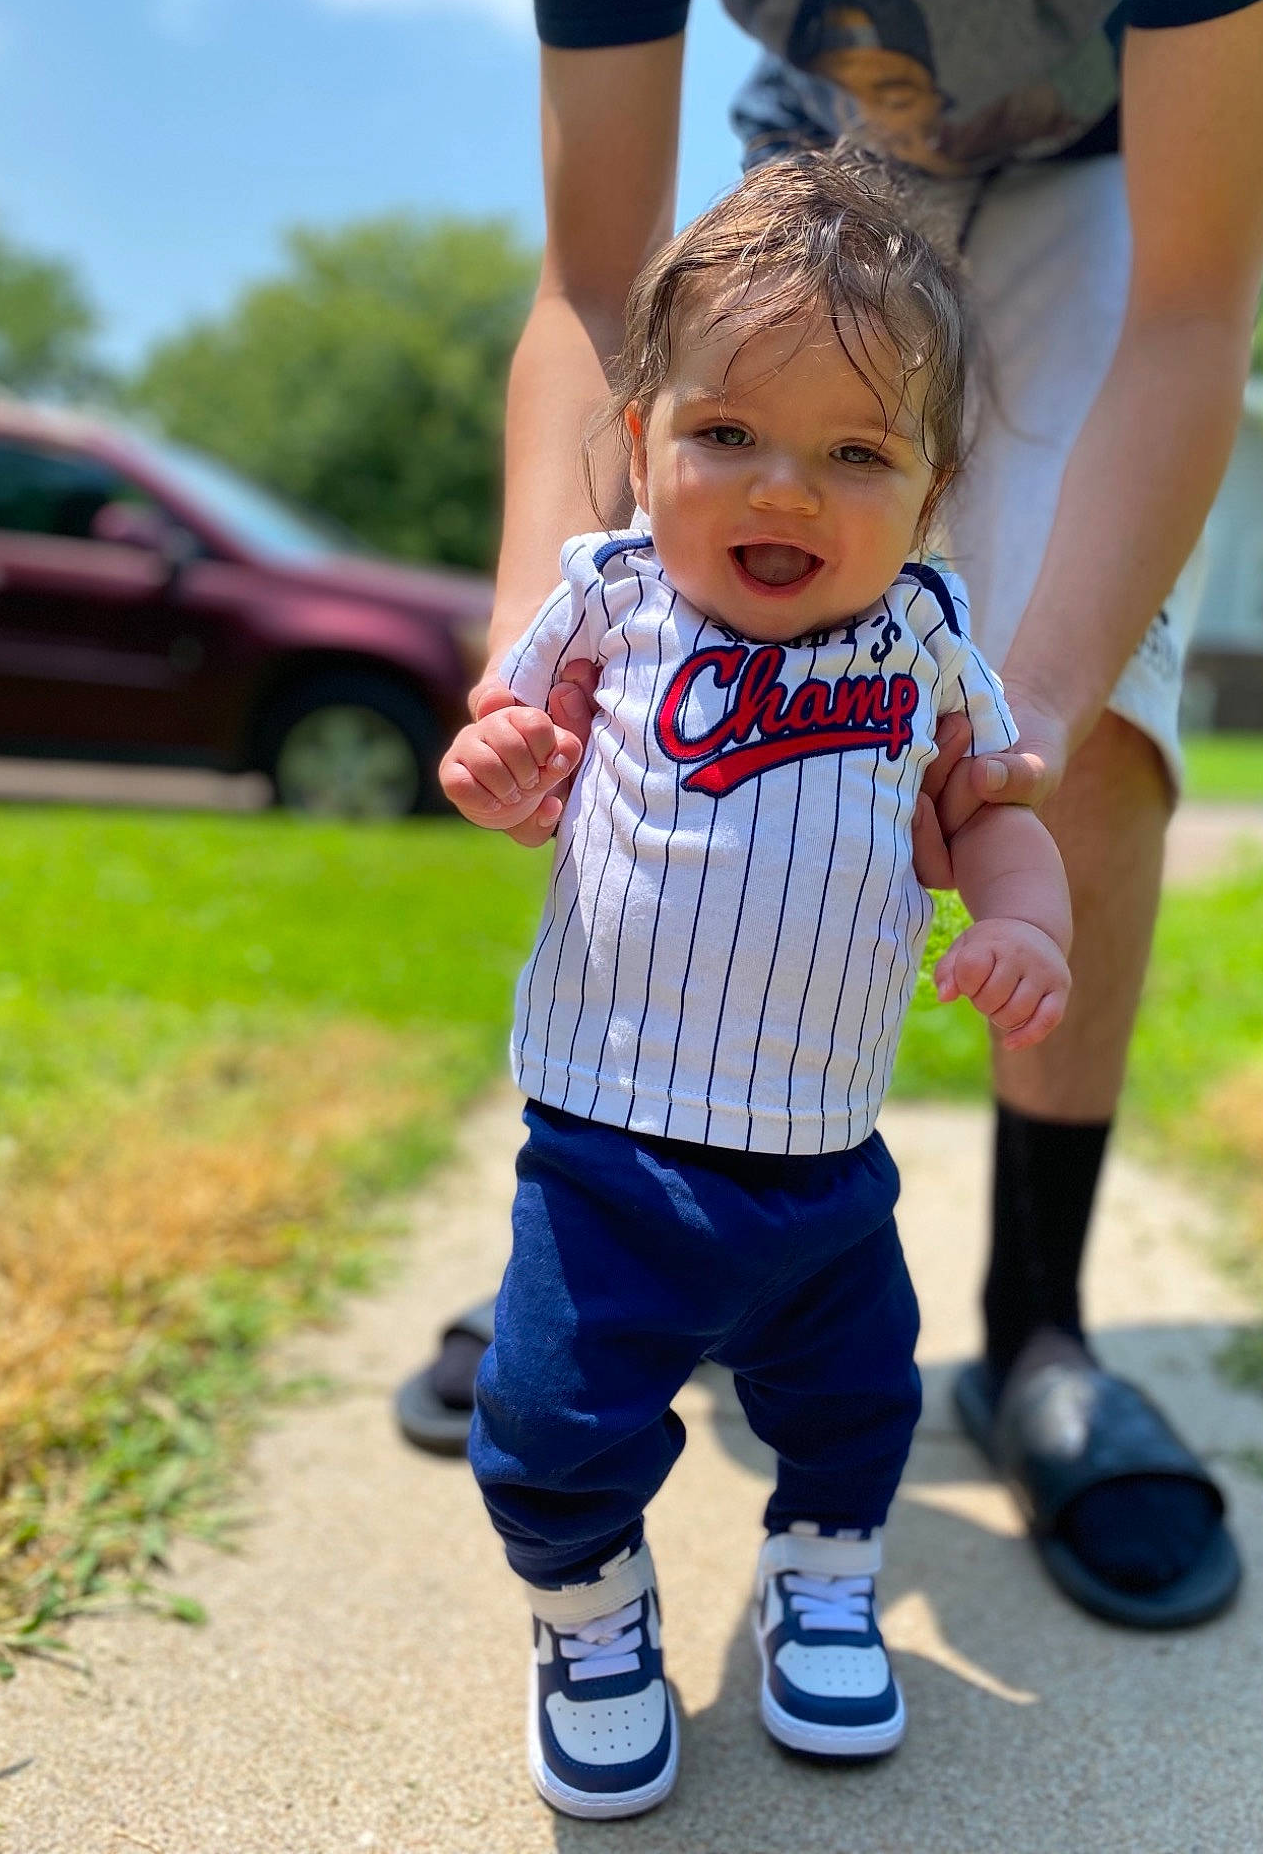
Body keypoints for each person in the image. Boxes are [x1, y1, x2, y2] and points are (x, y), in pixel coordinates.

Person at [396, 0, 1263, 1633]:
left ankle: (1035, 1334)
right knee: (664, 629)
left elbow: (1188, 308)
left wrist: (1036, 716)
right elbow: (590, 289)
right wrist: (539, 632)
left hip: (1106, 183)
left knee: (1067, 743)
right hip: (834, 171)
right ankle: (616, 1244)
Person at [440, 154, 1072, 1818]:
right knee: (551, 1416)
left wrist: (1028, 927)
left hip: (818, 1151)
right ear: (642, 439)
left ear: (929, 498)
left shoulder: (924, 647)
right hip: (609, 1144)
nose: (785, 491)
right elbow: (511, 758)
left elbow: (994, 830)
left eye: (857, 453)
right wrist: (503, 771)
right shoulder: (613, 604)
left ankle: (823, 1572)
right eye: (730, 434)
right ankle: (589, 1614)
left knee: (858, 1396)